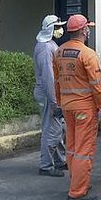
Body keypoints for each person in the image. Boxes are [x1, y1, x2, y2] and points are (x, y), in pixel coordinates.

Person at [53, 14, 101, 200]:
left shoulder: (59, 52)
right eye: (87, 28)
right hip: (85, 109)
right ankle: (78, 191)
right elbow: (97, 87)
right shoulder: (88, 55)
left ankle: (77, 182)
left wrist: (59, 102)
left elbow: (57, 82)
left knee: (72, 148)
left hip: (67, 107)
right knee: (83, 150)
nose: (88, 30)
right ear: (82, 31)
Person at [33, 14, 68, 177]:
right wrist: (55, 103)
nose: (61, 29)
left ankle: (60, 161)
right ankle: (46, 166)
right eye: (58, 27)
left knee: (57, 128)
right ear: (51, 29)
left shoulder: (49, 44)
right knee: (52, 130)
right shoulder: (46, 48)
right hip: (48, 95)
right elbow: (49, 78)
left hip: (50, 94)